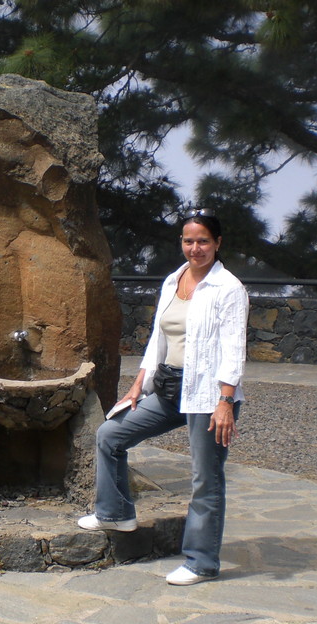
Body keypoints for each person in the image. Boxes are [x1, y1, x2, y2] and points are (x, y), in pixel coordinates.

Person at [78, 209, 249, 585]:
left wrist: (225, 402)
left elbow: (234, 349)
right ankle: (115, 511)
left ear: (217, 244)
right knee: (110, 435)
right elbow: (159, 336)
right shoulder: (174, 279)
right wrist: (139, 382)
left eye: (203, 240)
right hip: (168, 387)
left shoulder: (229, 289)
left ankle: (201, 562)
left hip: (207, 394)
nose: (195, 248)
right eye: (189, 241)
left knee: (206, 478)